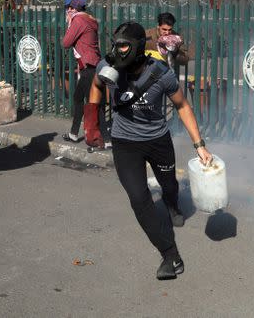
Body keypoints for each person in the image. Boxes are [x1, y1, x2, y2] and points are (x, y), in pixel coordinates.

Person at [84, 22, 213, 280]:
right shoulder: (107, 68)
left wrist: (199, 145)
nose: (116, 51)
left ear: (138, 48)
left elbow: (183, 106)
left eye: (123, 46)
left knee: (168, 186)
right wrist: (91, 122)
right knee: (139, 199)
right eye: (114, 45)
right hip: (125, 144)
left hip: (157, 140)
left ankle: (173, 204)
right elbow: (97, 85)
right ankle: (170, 256)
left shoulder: (161, 74)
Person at [60, 0, 101, 145]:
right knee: (94, 100)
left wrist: (70, 24)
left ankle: (77, 134)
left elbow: (66, 42)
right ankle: (76, 133)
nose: (67, 11)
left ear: (74, 9)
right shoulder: (88, 20)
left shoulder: (79, 20)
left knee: (82, 99)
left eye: (69, 8)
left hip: (89, 66)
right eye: (67, 9)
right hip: (93, 64)